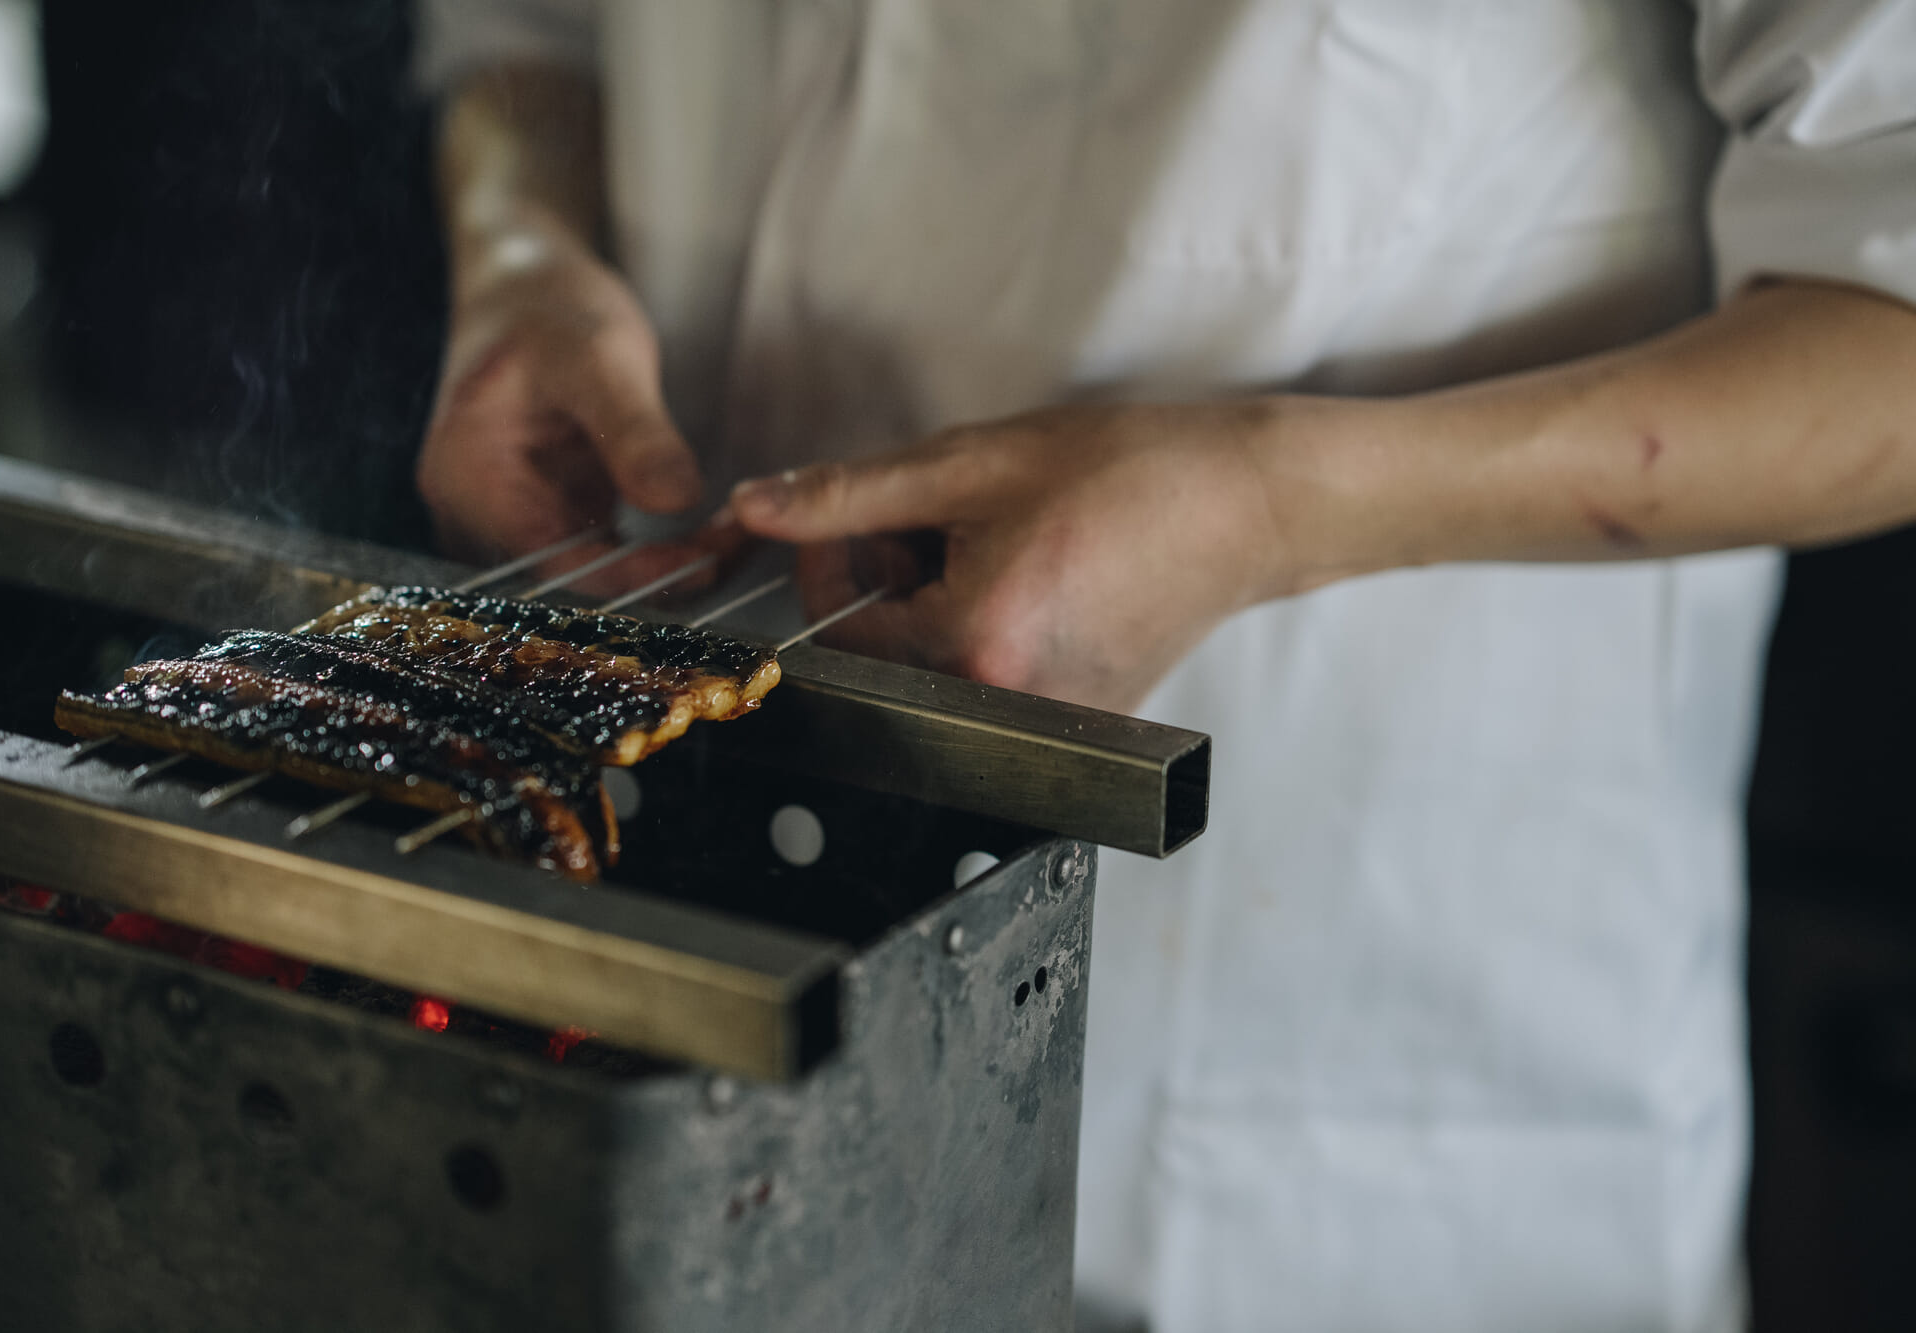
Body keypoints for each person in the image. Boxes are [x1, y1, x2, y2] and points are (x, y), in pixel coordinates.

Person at [413, 2, 1916, 1328]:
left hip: (1339, 1119)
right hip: (692, 1021)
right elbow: (528, 37)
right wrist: (523, 253)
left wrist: (1265, 505)